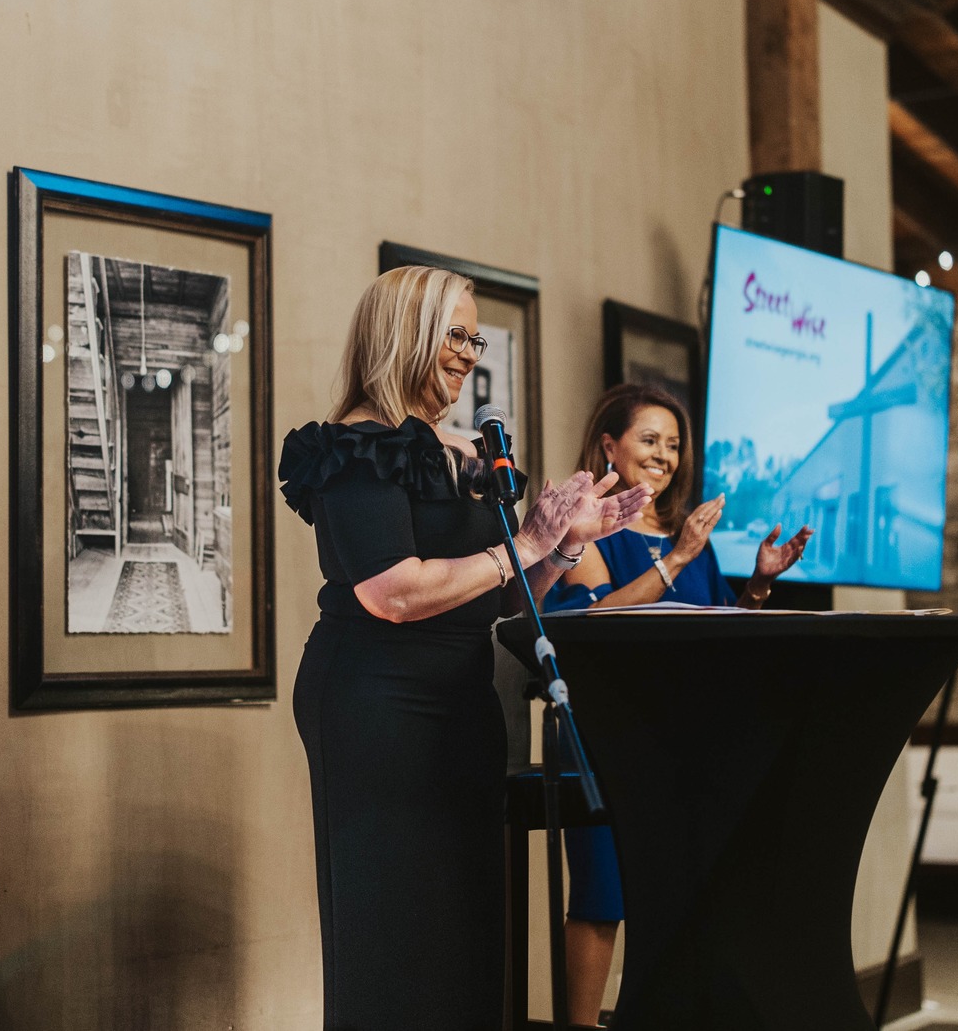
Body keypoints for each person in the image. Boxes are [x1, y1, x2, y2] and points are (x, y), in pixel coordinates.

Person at [279, 266, 653, 1031]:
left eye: (475, 339)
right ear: (404, 331)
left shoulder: (459, 451)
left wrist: (561, 547)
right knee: (395, 924)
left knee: (466, 923)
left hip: (460, 699)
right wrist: (525, 542)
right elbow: (392, 592)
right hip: (376, 704)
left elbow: (503, 594)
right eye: (456, 334)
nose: (469, 353)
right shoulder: (355, 447)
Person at [541, 381, 813, 1026]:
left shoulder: (689, 535)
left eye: (673, 444)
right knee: (603, 897)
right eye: (649, 439)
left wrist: (758, 585)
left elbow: (718, 635)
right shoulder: (584, 524)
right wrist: (678, 559)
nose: (664, 455)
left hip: (683, 736)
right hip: (603, 729)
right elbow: (591, 619)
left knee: (678, 895)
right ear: (610, 445)